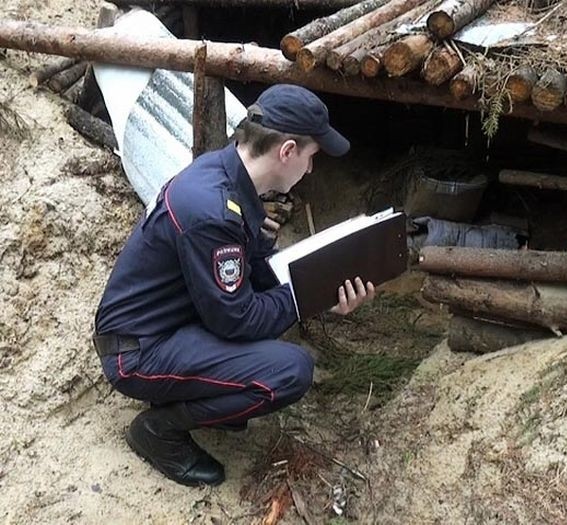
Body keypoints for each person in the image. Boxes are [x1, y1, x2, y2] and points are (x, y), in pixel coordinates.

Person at [92, 84, 375, 487]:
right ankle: (159, 429)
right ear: (288, 151)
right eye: (312, 157)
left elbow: (248, 276)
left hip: (164, 323)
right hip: (137, 351)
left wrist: (320, 282)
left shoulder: (224, 173)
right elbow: (238, 319)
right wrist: (310, 295)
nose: (311, 170)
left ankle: (199, 395)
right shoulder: (212, 210)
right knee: (291, 370)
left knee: (270, 318)